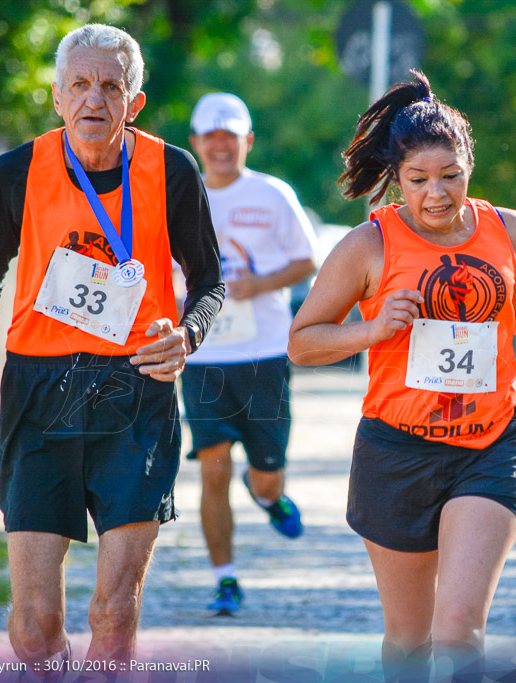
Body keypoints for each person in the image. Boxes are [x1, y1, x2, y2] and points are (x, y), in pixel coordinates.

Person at [288, 71, 516, 680]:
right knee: (409, 641)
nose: (437, 193)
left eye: (450, 175)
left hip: (490, 441)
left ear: (469, 166)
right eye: (418, 180)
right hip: (397, 450)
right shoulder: (368, 246)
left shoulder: (508, 230)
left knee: (459, 629)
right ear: (395, 179)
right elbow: (302, 343)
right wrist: (371, 330)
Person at [0, 24, 223, 670]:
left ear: (135, 101)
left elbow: (209, 281)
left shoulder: (171, 170)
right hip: (39, 394)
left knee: (114, 610)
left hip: (136, 390)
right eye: (79, 85)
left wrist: (187, 334)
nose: (93, 100)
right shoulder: (19, 170)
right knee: (35, 626)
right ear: (56, 96)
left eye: (110, 86)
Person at [182, 92, 317, 615]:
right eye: (210, 137)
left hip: (263, 354)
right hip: (201, 356)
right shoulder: (179, 195)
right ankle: (226, 578)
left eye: (229, 137)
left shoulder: (272, 193)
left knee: (265, 474)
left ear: (247, 142)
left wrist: (257, 285)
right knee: (211, 467)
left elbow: (307, 259)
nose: (220, 146)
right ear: (196, 143)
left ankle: (268, 494)